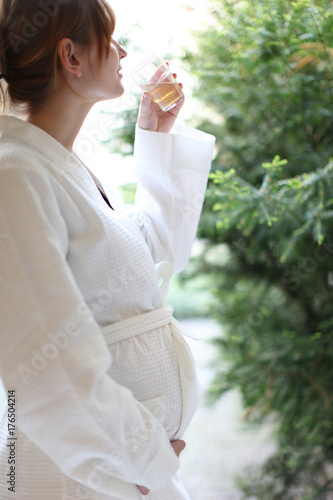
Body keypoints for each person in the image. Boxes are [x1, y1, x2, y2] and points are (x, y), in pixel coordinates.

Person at [0, 0, 215, 499]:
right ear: (71, 57)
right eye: (110, 38)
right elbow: (40, 361)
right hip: (78, 477)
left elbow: (154, 261)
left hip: (120, 473)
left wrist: (155, 135)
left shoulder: (61, 164)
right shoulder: (15, 173)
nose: (121, 51)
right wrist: (145, 457)